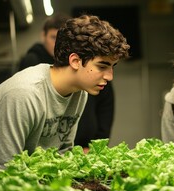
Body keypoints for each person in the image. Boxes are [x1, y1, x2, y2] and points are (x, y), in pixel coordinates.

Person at [0, 15, 130, 168]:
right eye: (102, 66)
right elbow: (3, 168)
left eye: (112, 67)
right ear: (75, 61)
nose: (109, 76)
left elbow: (62, 153)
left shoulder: (80, 92)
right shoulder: (24, 94)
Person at [18, 13, 116, 153]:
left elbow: (106, 106)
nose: (109, 76)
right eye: (53, 37)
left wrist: (97, 145)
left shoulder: (82, 91)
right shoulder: (27, 80)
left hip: (76, 150)